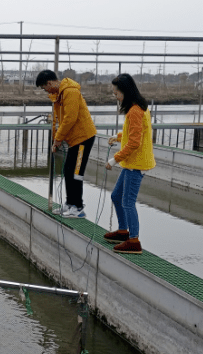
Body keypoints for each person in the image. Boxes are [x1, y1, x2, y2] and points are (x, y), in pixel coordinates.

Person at [103, 74, 156, 254]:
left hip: (136, 164)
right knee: (117, 196)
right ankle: (123, 231)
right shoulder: (139, 107)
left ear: (125, 91)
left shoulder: (135, 111)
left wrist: (114, 159)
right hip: (132, 163)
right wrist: (118, 137)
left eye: (116, 93)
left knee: (127, 202)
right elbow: (134, 134)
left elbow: (134, 143)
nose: (115, 96)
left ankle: (134, 240)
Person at [35, 69, 97, 218]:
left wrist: (58, 139)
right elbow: (58, 120)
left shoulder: (70, 92)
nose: (46, 91)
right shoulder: (59, 94)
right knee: (68, 170)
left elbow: (70, 118)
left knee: (76, 173)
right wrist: (56, 139)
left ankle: (78, 207)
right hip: (74, 139)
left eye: (45, 88)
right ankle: (70, 203)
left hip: (83, 138)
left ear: (49, 83)